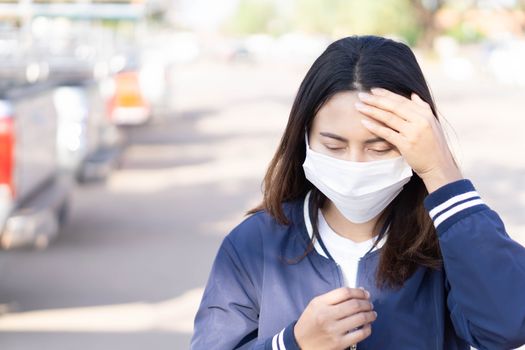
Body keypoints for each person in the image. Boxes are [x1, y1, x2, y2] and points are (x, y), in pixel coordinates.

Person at [190, 35, 525, 349]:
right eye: (334, 145)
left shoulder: (450, 242)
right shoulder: (253, 243)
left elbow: (507, 325)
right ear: (304, 138)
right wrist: (294, 343)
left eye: (379, 148)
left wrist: (442, 173)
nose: (355, 164)